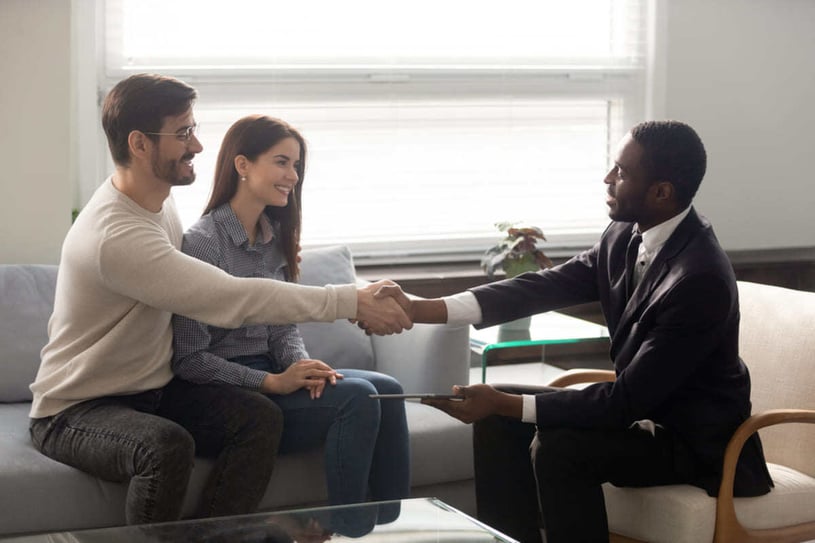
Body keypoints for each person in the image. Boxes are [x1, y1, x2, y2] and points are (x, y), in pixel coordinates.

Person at [28, 73, 411, 526]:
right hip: (77, 409)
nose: (198, 146)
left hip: (150, 392)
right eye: (183, 133)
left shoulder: (157, 202)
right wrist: (349, 300)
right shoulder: (117, 235)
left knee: (259, 418)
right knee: (165, 445)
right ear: (140, 144)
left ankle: (223, 538)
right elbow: (229, 297)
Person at [380, 121, 774, 542]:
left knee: (559, 448)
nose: (607, 179)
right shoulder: (624, 233)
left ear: (661, 192)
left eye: (621, 172)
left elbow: (624, 402)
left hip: (694, 444)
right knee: (497, 419)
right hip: (639, 414)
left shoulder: (699, 278)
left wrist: (506, 402)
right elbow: (544, 286)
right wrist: (424, 308)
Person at [171, 115, 410, 523]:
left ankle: (394, 528)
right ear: (242, 165)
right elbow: (190, 359)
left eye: (296, 165)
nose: (293, 175)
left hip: (273, 376)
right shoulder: (203, 245)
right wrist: (272, 381)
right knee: (357, 397)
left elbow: (282, 328)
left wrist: (299, 365)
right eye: (282, 162)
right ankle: (350, 531)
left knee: (387, 388)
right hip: (229, 393)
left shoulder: (272, 237)